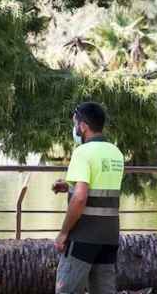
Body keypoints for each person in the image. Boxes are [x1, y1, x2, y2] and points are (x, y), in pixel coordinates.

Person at [53, 102, 125, 294]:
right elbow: (100, 187)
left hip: (83, 236)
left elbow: (80, 199)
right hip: (109, 237)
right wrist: (69, 186)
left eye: (75, 123)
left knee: (66, 290)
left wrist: (63, 233)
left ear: (83, 126)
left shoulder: (82, 152)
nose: (74, 129)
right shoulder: (115, 153)